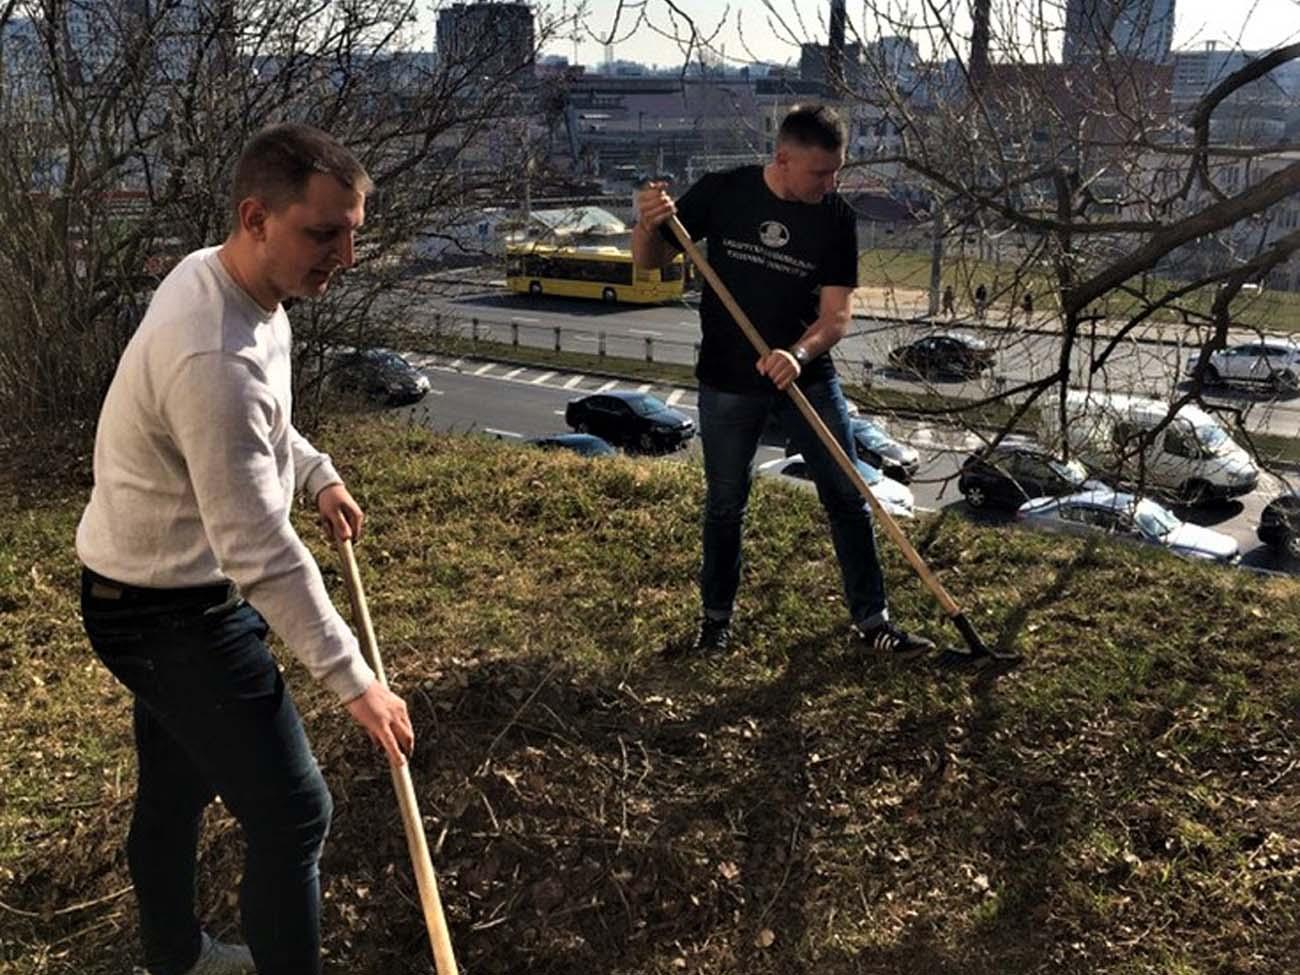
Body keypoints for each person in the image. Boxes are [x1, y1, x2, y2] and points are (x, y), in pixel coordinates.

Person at [76, 123, 414, 975]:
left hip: (154, 587)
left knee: (178, 785)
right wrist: (357, 681)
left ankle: (177, 957)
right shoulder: (212, 352)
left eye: (351, 233)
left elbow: (263, 426)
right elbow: (258, 547)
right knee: (295, 812)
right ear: (256, 216)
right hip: (160, 611)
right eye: (321, 232)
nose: (341, 254)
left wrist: (317, 473)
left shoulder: (228, 282)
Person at [632, 104, 934, 659]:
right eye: (820, 172)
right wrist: (648, 221)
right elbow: (648, 262)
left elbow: (837, 316)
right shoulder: (724, 192)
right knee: (726, 503)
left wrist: (796, 354)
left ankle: (874, 621)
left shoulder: (836, 218)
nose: (831, 182)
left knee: (848, 497)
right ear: (783, 159)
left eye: (836, 170)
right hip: (726, 381)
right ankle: (715, 623)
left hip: (808, 380)